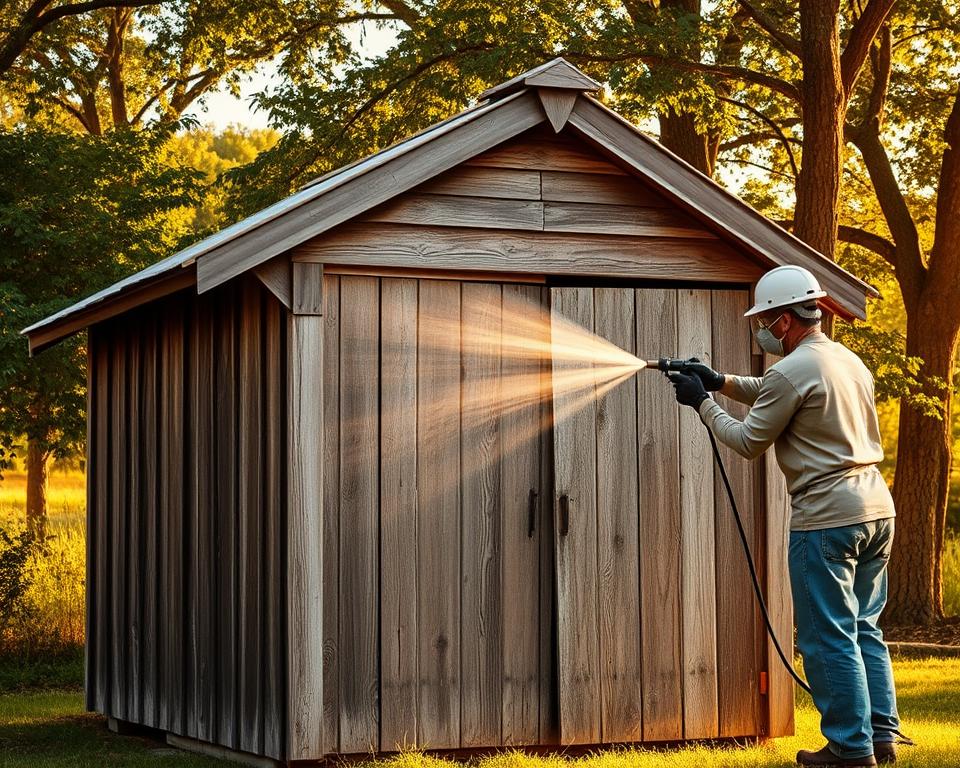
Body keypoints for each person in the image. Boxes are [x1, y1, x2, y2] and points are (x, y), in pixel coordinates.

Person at [666, 265, 903, 767]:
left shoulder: (790, 370)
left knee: (827, 635)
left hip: (826, 519)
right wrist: (722, 380)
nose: (762, 327)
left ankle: (848, 749)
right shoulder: (844, 360)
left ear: (783, 320)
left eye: (765, 318)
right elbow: (778, 394)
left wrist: (702, 403)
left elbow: (750, 440)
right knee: (864, 627)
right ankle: (881, 738)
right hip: (876, 509)